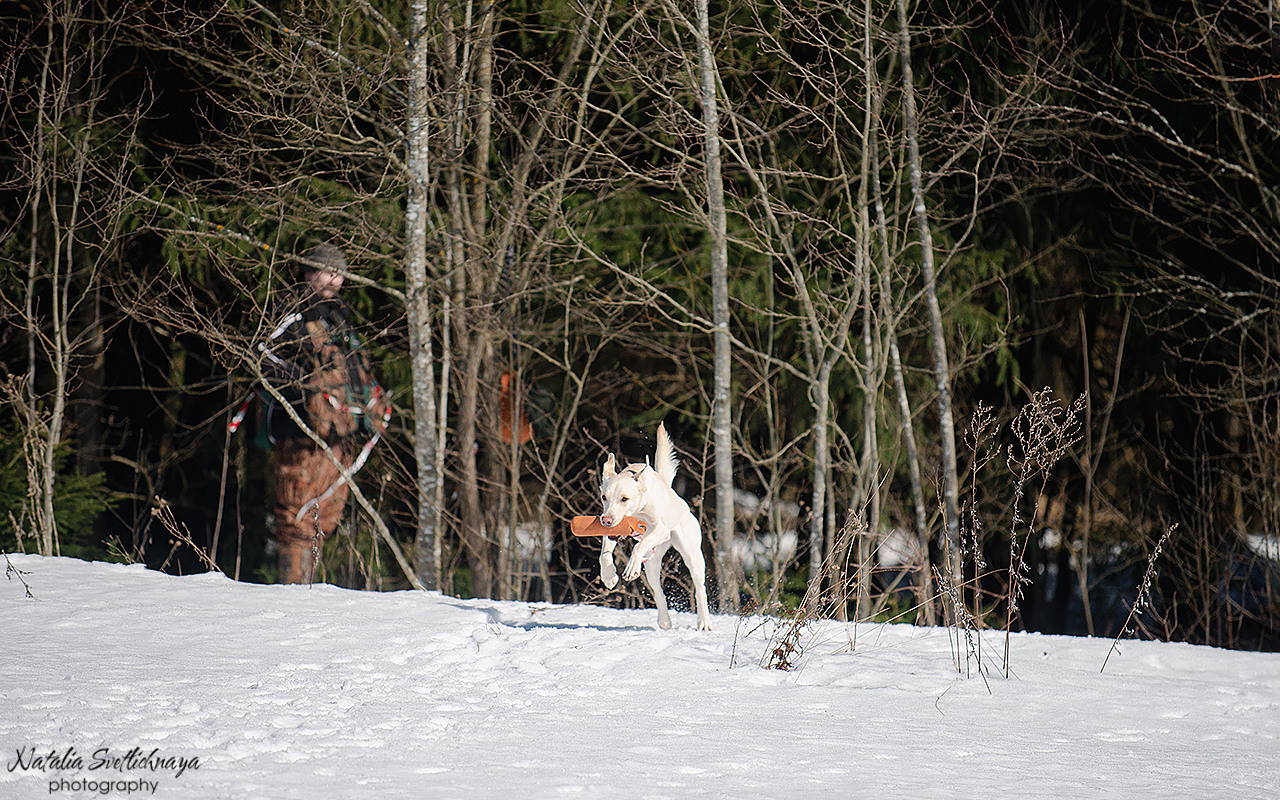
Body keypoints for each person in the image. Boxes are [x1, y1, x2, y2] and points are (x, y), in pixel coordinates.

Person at [257, 242, 387, 584]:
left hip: (339, 441)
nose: (335, 280)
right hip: (302, 439)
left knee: (324, 521)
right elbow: (261, 354)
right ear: (309, 271)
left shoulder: (338, 317)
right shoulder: (290, 310)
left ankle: (310, 595)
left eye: (340, 274)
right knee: (296, 520)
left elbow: (355, 373)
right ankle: (293, 598)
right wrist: (302, 386)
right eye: (329, 272)